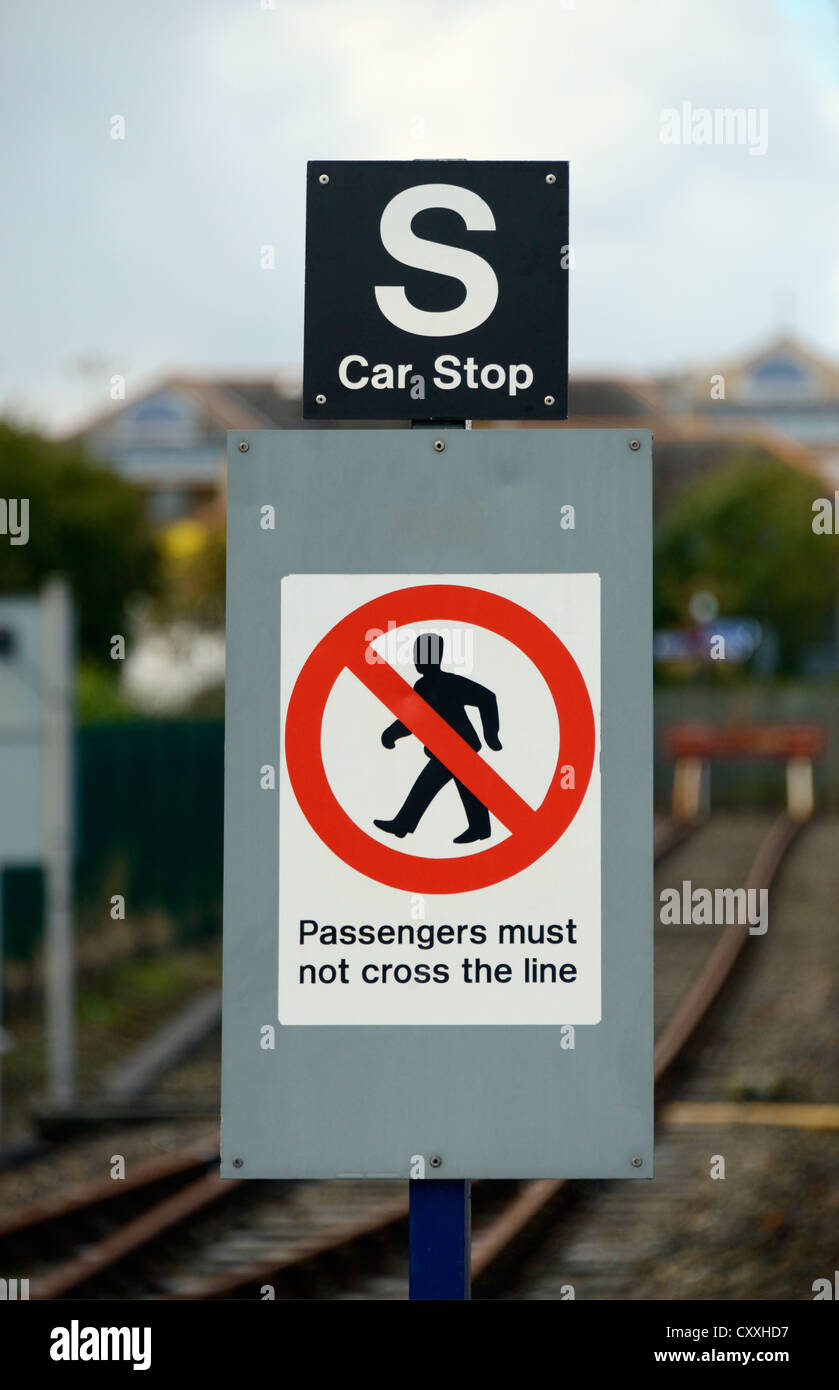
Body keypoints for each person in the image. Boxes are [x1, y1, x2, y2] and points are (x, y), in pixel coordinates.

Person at [374, 632, 501, 844]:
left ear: (434, 657)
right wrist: (392, 734)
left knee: (426, 785)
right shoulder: (422, 687)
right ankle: (480, 828)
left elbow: (487, 698)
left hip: (459, 747)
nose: (416, 660)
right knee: (468, 787)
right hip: (445, 749)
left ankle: (402, 824)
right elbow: (412, 719)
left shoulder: (451, 683)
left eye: (420, 655)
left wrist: (492, 736)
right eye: (415, 655)